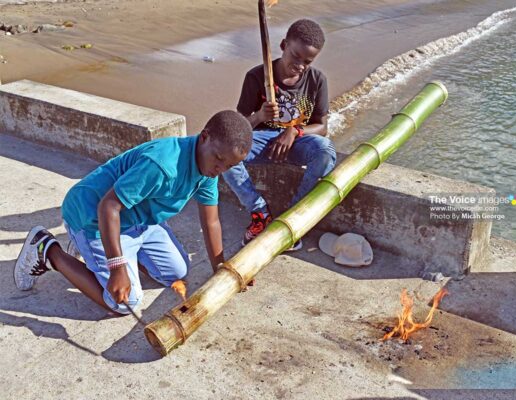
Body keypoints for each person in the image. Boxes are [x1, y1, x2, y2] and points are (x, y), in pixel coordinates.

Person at [14, 110, 252, 315]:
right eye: (219, 159)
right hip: (92, 217)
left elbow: (211, 222)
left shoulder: (208, 169)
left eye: (228, 166)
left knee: (177, 272)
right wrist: (117, 268)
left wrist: (222, 268)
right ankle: (48, 250)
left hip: (138, 221)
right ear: (205, 137)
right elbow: (108, 206)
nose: (220, 169)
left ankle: (100, 254)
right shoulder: (162, 165)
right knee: (124, 302)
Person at [222, 19, 336, 250]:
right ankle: (259, 212)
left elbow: (322, 126)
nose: (300, 66)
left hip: (298, 143)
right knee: (224, 149)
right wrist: (258, 117)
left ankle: (294, 216)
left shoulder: (317, 80)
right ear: (284, 45)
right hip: (263, 142)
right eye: (296, 57)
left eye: (307, 61)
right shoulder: (257, 77)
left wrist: (294, 131)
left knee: (325, 151)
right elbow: (238, 126)